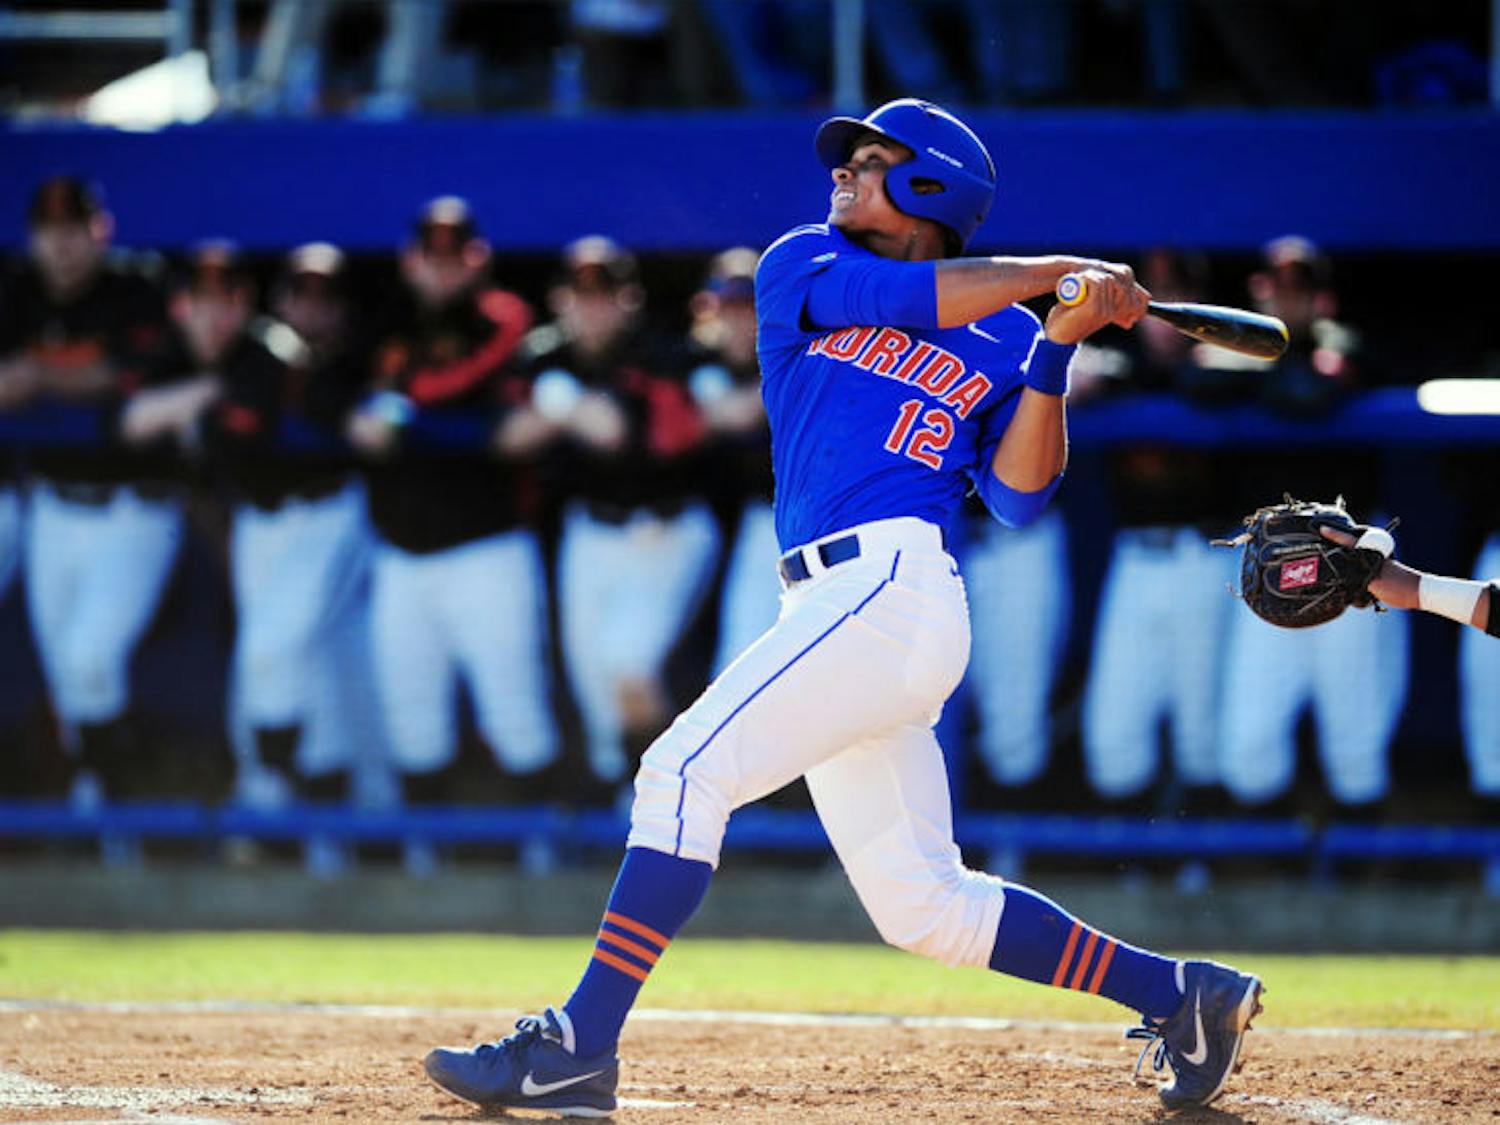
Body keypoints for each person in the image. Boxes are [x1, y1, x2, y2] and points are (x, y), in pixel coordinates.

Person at [423, 98, 1262, 1116]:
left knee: (681, 774)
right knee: (924, 907)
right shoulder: (805, 264)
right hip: (836, 604)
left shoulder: (1003, 331)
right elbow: (910, 298)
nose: (843, 175)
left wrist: (1053, 348)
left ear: (928, 187)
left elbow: (1019, 495)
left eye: (870, 163)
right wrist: (1058, 273)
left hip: (895, 590)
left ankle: (577, 1046)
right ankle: (1180, 994)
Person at [346, 196, 558, 810]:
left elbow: (504, 430)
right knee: (411, 716)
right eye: (430, 256)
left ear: (477, 259)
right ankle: (424, 868)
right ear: (410, 260)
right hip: (399, 553)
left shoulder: (504, 323)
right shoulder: (383, 324)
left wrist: (407, 420)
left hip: (487, 548)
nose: (442, 269)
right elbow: (336, 400)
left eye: (455, 256)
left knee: (514, 709)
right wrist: (360, 416)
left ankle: (545, 863)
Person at [0, 176, 182, 803]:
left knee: (88, 662)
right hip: (52, 506)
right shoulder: (17, 290)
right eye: (51, 232)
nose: (63, 246)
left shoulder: (137, 284)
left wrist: (38, 374)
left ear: (99, 230)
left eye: (75, 231)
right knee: (69, 683)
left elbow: (127, 374)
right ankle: (99, 818)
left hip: (132, 510)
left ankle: (117, 804)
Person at [1216, 236, 1408, 813]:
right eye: (1275, 287)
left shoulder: (1344, 345)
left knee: (1355, 735)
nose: (1285, 299)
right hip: (1273, 565)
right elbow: (1197, 381)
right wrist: (1255, 372)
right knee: (1249, 740)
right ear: (1258, 290)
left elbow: (1313, 393)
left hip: (1352, 567)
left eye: (1298, 289)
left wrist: (1259, 377)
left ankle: (1355, 865)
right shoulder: (1237, 350)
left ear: (1321, 298)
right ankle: (1270, 863)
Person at [185, 242, 377, 813]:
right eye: (301, 293)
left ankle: (272, 793)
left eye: (327, 296)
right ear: (280, 298)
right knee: (289, 664)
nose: (313, 307)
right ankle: (285, 806)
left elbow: (385, 415)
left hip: (332, 516)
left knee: (280, 652)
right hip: (260, 524)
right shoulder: (255, 354)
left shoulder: (360, 359)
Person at [531, 235, 720, 786]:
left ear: (628, 298)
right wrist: (558, 400)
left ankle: (665, 795)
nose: (592, 305)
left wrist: (563, 404)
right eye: (580, 292)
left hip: (667, 531)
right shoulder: (546, 353)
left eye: (605, 292)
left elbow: (624, 434)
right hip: (589, 533)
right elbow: (506, 437)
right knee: (595, 692)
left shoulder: (666, 353)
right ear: (561, 298)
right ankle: (625, 802)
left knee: (629, 668)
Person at [1078, 248, 1238, 809]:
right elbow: (1072, 378)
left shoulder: (1226, 363)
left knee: (1203, 728)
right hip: (1137, 559)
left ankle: (1200, 860)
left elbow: (1230, 381)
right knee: (1114, 734)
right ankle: (1136, 861)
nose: (1167, 311)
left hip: (1208, 557)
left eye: (1181, 293)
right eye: (1156, 295)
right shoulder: (1117, 359)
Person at [684, 246, 779, 676]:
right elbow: (730, 415)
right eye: (730, 308)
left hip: (767, 523)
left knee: (746, 653)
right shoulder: (691, 359)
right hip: (694, 527)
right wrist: (791, 369)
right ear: (708, 309)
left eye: (752, 308)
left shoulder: (783, 353)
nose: (742, 321)